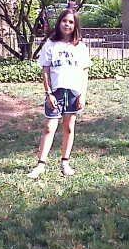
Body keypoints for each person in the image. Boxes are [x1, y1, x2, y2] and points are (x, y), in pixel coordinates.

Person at [27, 9, 91, 178]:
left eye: (71, 22)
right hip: (55, 92)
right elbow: (46, 70)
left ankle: (65, 162)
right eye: (64, 21)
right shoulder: (50, 44)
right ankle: (40, 165)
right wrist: (49, 93)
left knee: (69, 127)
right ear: (59, 23)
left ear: (75, 25)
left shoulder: (81, 47)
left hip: (73, 92)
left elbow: (84, 73)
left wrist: (82, 95)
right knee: (49, 127)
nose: (67, 24)